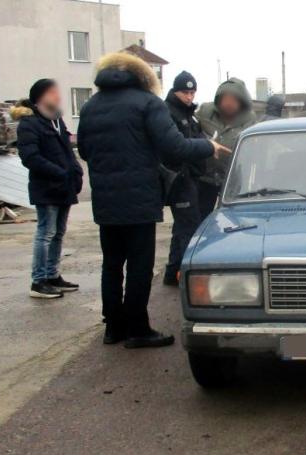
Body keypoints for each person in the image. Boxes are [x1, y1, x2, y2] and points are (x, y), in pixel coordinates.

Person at [77, 52, 228, 348]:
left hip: (106, 200)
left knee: (112, 263)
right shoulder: (147, 103)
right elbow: (174, 147)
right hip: (139, 198)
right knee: (139, 265)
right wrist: (207, 147)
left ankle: (113, 327)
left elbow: (83, 150)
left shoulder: (91, 106)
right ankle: (138, 328)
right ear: (144, 76)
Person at [12, 79, 83, 299]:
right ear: (41, 96)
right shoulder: (30, 124)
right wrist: (58, 172)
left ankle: (53, 276)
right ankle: (39, 280)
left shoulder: (56, 120)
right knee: (46, 233)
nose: (58, 96)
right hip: (46, 187)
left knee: (58, 233)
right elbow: (30, 157)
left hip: (64, 187)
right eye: (53, 92)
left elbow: (67, 151)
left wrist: (76, 172)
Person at [162, 71, 204, 286]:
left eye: (192, 92)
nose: (189, 96)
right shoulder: (168, 112)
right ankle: (187, 276)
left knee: (182, 227)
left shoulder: (188, 113)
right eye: (185, 92)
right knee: (189, 227)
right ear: (175, 91)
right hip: (180, 177)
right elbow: (175, 146)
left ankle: (173, 271)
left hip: (190, 176)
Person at [196, 77, 257, 219]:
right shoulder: (205, 112)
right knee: (200, 217)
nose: (229, 103)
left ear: (241, 101)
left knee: (235, 218)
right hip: (205, 177)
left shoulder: (249, 119)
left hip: (233, 178)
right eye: (226, 99)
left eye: (234, 99)